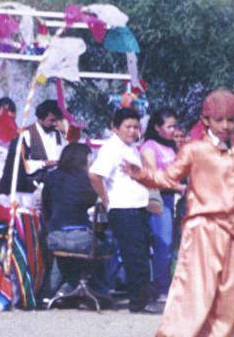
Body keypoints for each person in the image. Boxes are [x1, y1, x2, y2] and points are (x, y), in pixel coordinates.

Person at [129, 91, 234, 337]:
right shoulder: (194, 150)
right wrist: (142, 175)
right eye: (219, 120)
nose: (226, 126)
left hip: (233, 232)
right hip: (203, 228)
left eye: (231, 120)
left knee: (227, 296)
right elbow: (167, 178)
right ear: (206, 120)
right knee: (193, 291)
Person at [89, 108, 155, 313]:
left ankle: (141, 299)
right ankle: (137, 302)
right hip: (124, 209)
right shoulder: (112, 149)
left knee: (142, 254)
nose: (133, 131)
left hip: (138, 208)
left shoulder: (132, 149)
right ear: (115, 128)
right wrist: (107, 200)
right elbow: (95, 175)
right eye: (128, 126)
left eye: (136, 127)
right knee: (134, 257)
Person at [41, 143, 101, 296]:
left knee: (63, 253)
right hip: (81, 239)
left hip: (54, 237)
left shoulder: (51, 177)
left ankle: (52, 291)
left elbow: (45, 206)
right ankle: (99, 288)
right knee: (106, 242)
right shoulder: (88, 180)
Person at [139, 108, 180, 300]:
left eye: (175, 126)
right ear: (157, 128)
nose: (173, 130)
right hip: (158, 199)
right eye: (169, 126)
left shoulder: (172, 147)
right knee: (163, 243)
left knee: (171, 244)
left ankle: (165, 283)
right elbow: (153, 175)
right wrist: (179, 187)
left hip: (172, 199)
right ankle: (160, 287)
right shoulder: (149, 146)